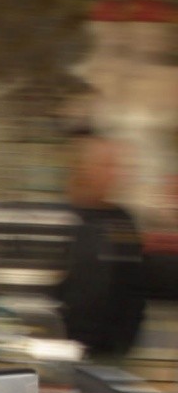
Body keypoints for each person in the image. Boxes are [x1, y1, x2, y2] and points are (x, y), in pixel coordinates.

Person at [57, 129, 147, 360]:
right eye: (107, 165)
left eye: (117, 166)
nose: (116, 174)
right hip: (63, 350)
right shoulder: (60, 219)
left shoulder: (122, 221)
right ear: (83, 169)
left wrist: (122, 345)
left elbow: (134, 288)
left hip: (111, 353)